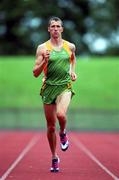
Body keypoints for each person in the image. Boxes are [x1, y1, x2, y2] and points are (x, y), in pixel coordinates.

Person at [33, 16, 77, 172]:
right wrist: (44, 61)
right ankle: (54, 157)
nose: (56, 29)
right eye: (53, 26)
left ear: (62, 29)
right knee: (50, 127)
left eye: (58, 26)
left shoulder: (70, 46)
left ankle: (63, 132)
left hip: (64, 86)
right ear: (48, 29)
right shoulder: (42, 48)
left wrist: (72, 71)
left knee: (61, 115)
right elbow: (35, 73)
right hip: (48, 88)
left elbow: (72, 59)